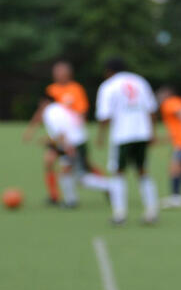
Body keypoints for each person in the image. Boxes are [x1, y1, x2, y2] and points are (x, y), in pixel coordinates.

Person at [96, 57, 159, 225]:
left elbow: (104, 115)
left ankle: (119, 214)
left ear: (109, 71)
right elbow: (152, 109)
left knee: (118, 172)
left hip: (122, 135)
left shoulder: (109, 86)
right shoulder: (140, 81)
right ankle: (152, 211)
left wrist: (100, 136)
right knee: (143, 171)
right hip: (142, 132)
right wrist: (153, 132)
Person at [23, 61, 93, 205]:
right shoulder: (51, 89)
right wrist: (31, 130)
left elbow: (82, 112)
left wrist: (76, 131)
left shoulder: (76, 89)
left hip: (71, 135)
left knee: (84, 165)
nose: (58, 74)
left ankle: (106, 186)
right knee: (49, 161)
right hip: (58, 136)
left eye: (61, 71)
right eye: (56, 71)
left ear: (69, 73)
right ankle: (54, 196)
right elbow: (42, 110)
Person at [38, 94, 109, 208]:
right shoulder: (59, 108)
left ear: (44, 103)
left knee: (78, 177)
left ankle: (110, 187)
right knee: (69, 173)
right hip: (80, 140)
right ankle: (71, 201)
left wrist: (67, 148)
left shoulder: (49, 112)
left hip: (71, 144)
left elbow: (61, 132)